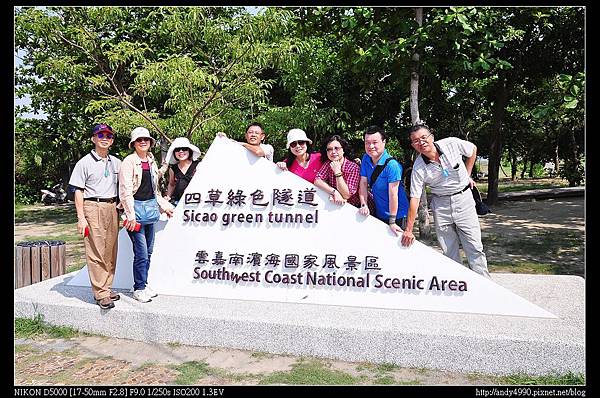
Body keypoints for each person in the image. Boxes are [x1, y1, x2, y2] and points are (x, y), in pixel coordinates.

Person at [400, 124, 490, 278]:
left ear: (432, 137)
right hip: (440, 204)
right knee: (449, 250)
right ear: (413, 145)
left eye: (423, 138)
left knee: (474, 246)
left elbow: (472, 149)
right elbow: (414, 198)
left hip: (464, 199)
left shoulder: (451, 144)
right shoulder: (418, 167)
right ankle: (458, 285)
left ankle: (485, 285)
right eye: (415, 141)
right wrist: (408, 229)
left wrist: (468, 174)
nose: (420, 142)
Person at [68, 123, 122, 309]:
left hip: (112, 207)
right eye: (100, 135)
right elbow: (78, 192)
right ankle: (100, 293)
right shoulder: (84, 163)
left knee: (110, 249)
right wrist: (81, 217)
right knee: (96, 249)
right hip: (93, 206)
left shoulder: (116, 162)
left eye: (108, 135)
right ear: (93, 139)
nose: (105, 138)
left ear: (112, 140)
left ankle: (106, 287)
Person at [119, 127, 175, 303]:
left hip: (149, 211)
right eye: (139, 140)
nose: (143, 142)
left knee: (148, 252)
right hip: (134, 212)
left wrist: (165, 207)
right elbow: (125, 191)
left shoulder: (151, 161)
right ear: (134, 144)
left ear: (150, 143)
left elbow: (155, 189)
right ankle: (139, 288)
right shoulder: (128, 162)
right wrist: (130, 216)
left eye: (146, 139)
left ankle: (143, 282)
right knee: (141, 252)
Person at [358, 125, 410, 235]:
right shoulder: (366, 158)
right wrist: (364, 204)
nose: (371, 146)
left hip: (398, 215)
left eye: (375, 142)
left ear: (384, 142)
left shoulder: (392, 166)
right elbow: (363, 183)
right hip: (380, 213)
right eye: (367, 143)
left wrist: (392, 221)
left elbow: (393, 194)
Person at [314, 135, 374, 211]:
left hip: (361, 208)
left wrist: (337, 172)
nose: (333, 152)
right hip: (342, 206)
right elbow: (317, 180)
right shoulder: (328, 163)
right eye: (329, 149)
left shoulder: (353, 167)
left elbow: (346, 195)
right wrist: (334, 192)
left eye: (337, 148)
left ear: (343, 150)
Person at [163, 137, 202, 206]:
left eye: (184, 149)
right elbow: (172, 184)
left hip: (195, 202)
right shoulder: (173, 169)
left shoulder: (198, 165)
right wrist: (168, 196)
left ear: (189, 151)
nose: (181, 151)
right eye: (177, 149)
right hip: (177, 203)